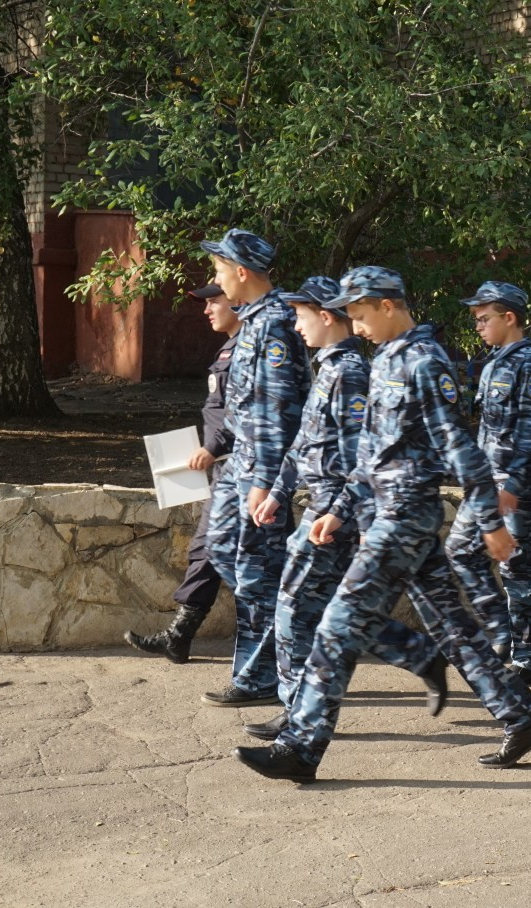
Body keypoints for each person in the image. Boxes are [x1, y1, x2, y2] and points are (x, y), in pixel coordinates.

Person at [233, 266, 531, 782]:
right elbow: (371, 453)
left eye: (359, 315)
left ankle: (301, 745)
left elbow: (459, 446)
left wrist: (491, 520)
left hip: (403, 519)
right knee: (453, 627)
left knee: (337, 626)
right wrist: (341, 508)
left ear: (389, 306)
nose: (355, 326)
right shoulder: (386, 358)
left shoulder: (425, 363)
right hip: (384, 512)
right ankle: (524, 715)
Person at [240, 276, 370, 741]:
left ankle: (301, 715)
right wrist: (277, 491)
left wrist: (337, 512)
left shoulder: (350, 372)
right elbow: (302, 444)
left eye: (301, 316)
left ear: (327, 316)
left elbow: (361, 457)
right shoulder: (329, 367)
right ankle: (303, 711)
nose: (295, 327)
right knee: (316, 619)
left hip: (330, 519)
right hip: (317, 509)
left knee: (295, 614)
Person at [199, 229, 312, 708]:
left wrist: (266, 481)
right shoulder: (254, 320)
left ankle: (264, 674)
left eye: (220, 270)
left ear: (241, 272)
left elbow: (276, 408)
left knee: (258, 572)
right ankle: (272, 663)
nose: (216, 280)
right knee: (224, 549)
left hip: (260, 468)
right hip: (242, 463)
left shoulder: (275, 324)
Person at [446, 281, 531, 684]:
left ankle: (528, 657)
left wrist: (513, 485)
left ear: (509, 318)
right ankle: (500, 633)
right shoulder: (495, 362)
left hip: (516, 486)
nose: (477, 325)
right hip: (486, 485)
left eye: (484, 318)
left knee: (517, 567)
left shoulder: (530, 366)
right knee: (460, 550)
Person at [124, 283, 239, 662]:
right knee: (207, 549)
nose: (207, 309)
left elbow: (247, 414)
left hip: (247, 471)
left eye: (214, 301)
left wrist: (214, 447)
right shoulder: (229, 347)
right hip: (228, 470)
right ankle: (180, 634)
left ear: (238, 299)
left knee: (244, 561)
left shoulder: (251, 350)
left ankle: (289, 650)